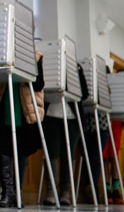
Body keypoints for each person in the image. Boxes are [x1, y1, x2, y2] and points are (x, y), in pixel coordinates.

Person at [0, 44, 45, 207]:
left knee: (22, 152)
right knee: (2, 150)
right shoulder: (1, 47)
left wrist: (23, 72)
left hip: (24, 111)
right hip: (2, 106)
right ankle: (7, 193)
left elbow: (39, 84)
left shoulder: (36, 56)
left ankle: (17, 193)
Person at [42, 63, 89, 205]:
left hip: (72, 118)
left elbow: (84, 94)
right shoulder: (49, 63)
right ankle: (51, 191)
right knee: (51, 154)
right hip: (51, 115)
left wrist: (77, 74)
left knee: (67, 155)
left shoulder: (76, 67)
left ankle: (65, 192)